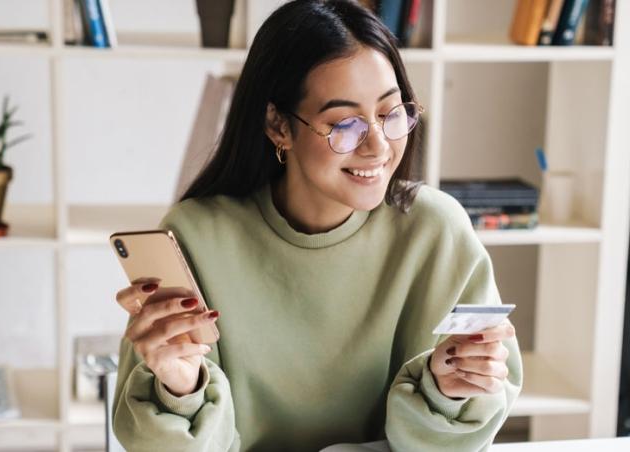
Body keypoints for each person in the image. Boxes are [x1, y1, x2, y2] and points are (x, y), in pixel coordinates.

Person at [112, 1, 523, 451]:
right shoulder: (196, 236)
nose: (378, 146)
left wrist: (449, 389)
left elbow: (455, 440)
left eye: (392, 113)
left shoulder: (435, 231)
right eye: (344, 123)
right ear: (278, 125)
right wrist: (179, 387)